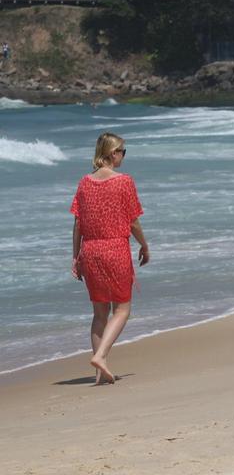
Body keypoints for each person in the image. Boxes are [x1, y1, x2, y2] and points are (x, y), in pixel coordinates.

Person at [70, 132, 149, 384]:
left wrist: (75, 257)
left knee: (99, 313)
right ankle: (101, 357)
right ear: (112, 153)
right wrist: (145, 246)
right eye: (122, 151)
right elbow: (134, 222)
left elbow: (77, 224)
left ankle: (100, 374)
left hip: (90, 251)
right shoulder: (123, 181)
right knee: (123, 309)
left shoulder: (84, 182)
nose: (123, 156)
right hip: (115, 249)